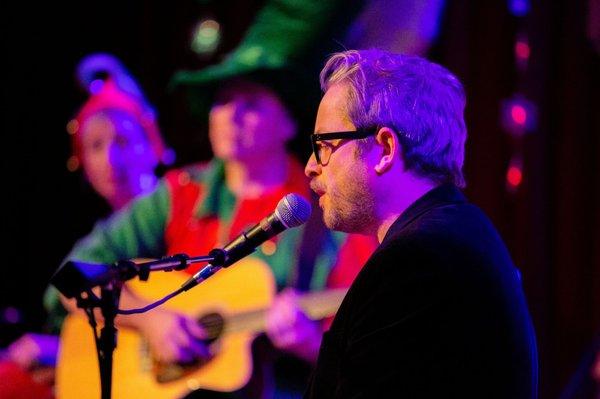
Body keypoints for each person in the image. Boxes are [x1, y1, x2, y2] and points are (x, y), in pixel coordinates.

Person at [45, 54, 377, 398]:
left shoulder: (325, 211)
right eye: (221, 102)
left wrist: (309, 345)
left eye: (250, 104)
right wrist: (149, 321)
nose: (230, 115)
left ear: (289, 123)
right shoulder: (179, 192)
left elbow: (366, 364)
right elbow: (73, 277)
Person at [303, 49, 538, 398]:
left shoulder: (418, 259)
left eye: (324, 144)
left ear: (384, 149)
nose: (310, 165)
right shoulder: (456, 232)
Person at [0, 53, 170, 399]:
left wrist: (60, 351)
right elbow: (69, 280)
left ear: (152, 145)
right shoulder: (105, 234)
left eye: (122, 141)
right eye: (95, 146)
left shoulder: (175, 206)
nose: (111, 159)